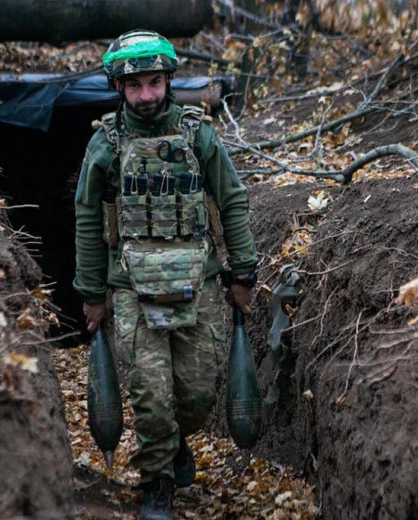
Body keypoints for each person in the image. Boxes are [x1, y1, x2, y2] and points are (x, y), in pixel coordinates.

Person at [73, 29, 258, 520]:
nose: (146, 95)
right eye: (135, 86)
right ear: (119, 87)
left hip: (199, 282)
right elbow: (88, 218)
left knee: (197, 395)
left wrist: (244, 273)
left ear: (169, 80)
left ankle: (174, 444)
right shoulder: (105, 144)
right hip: (130, 286)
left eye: (154, 83)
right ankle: (156, 483)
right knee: (152, 398)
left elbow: (231, 200)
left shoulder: (199, 135)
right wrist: (92, 293)